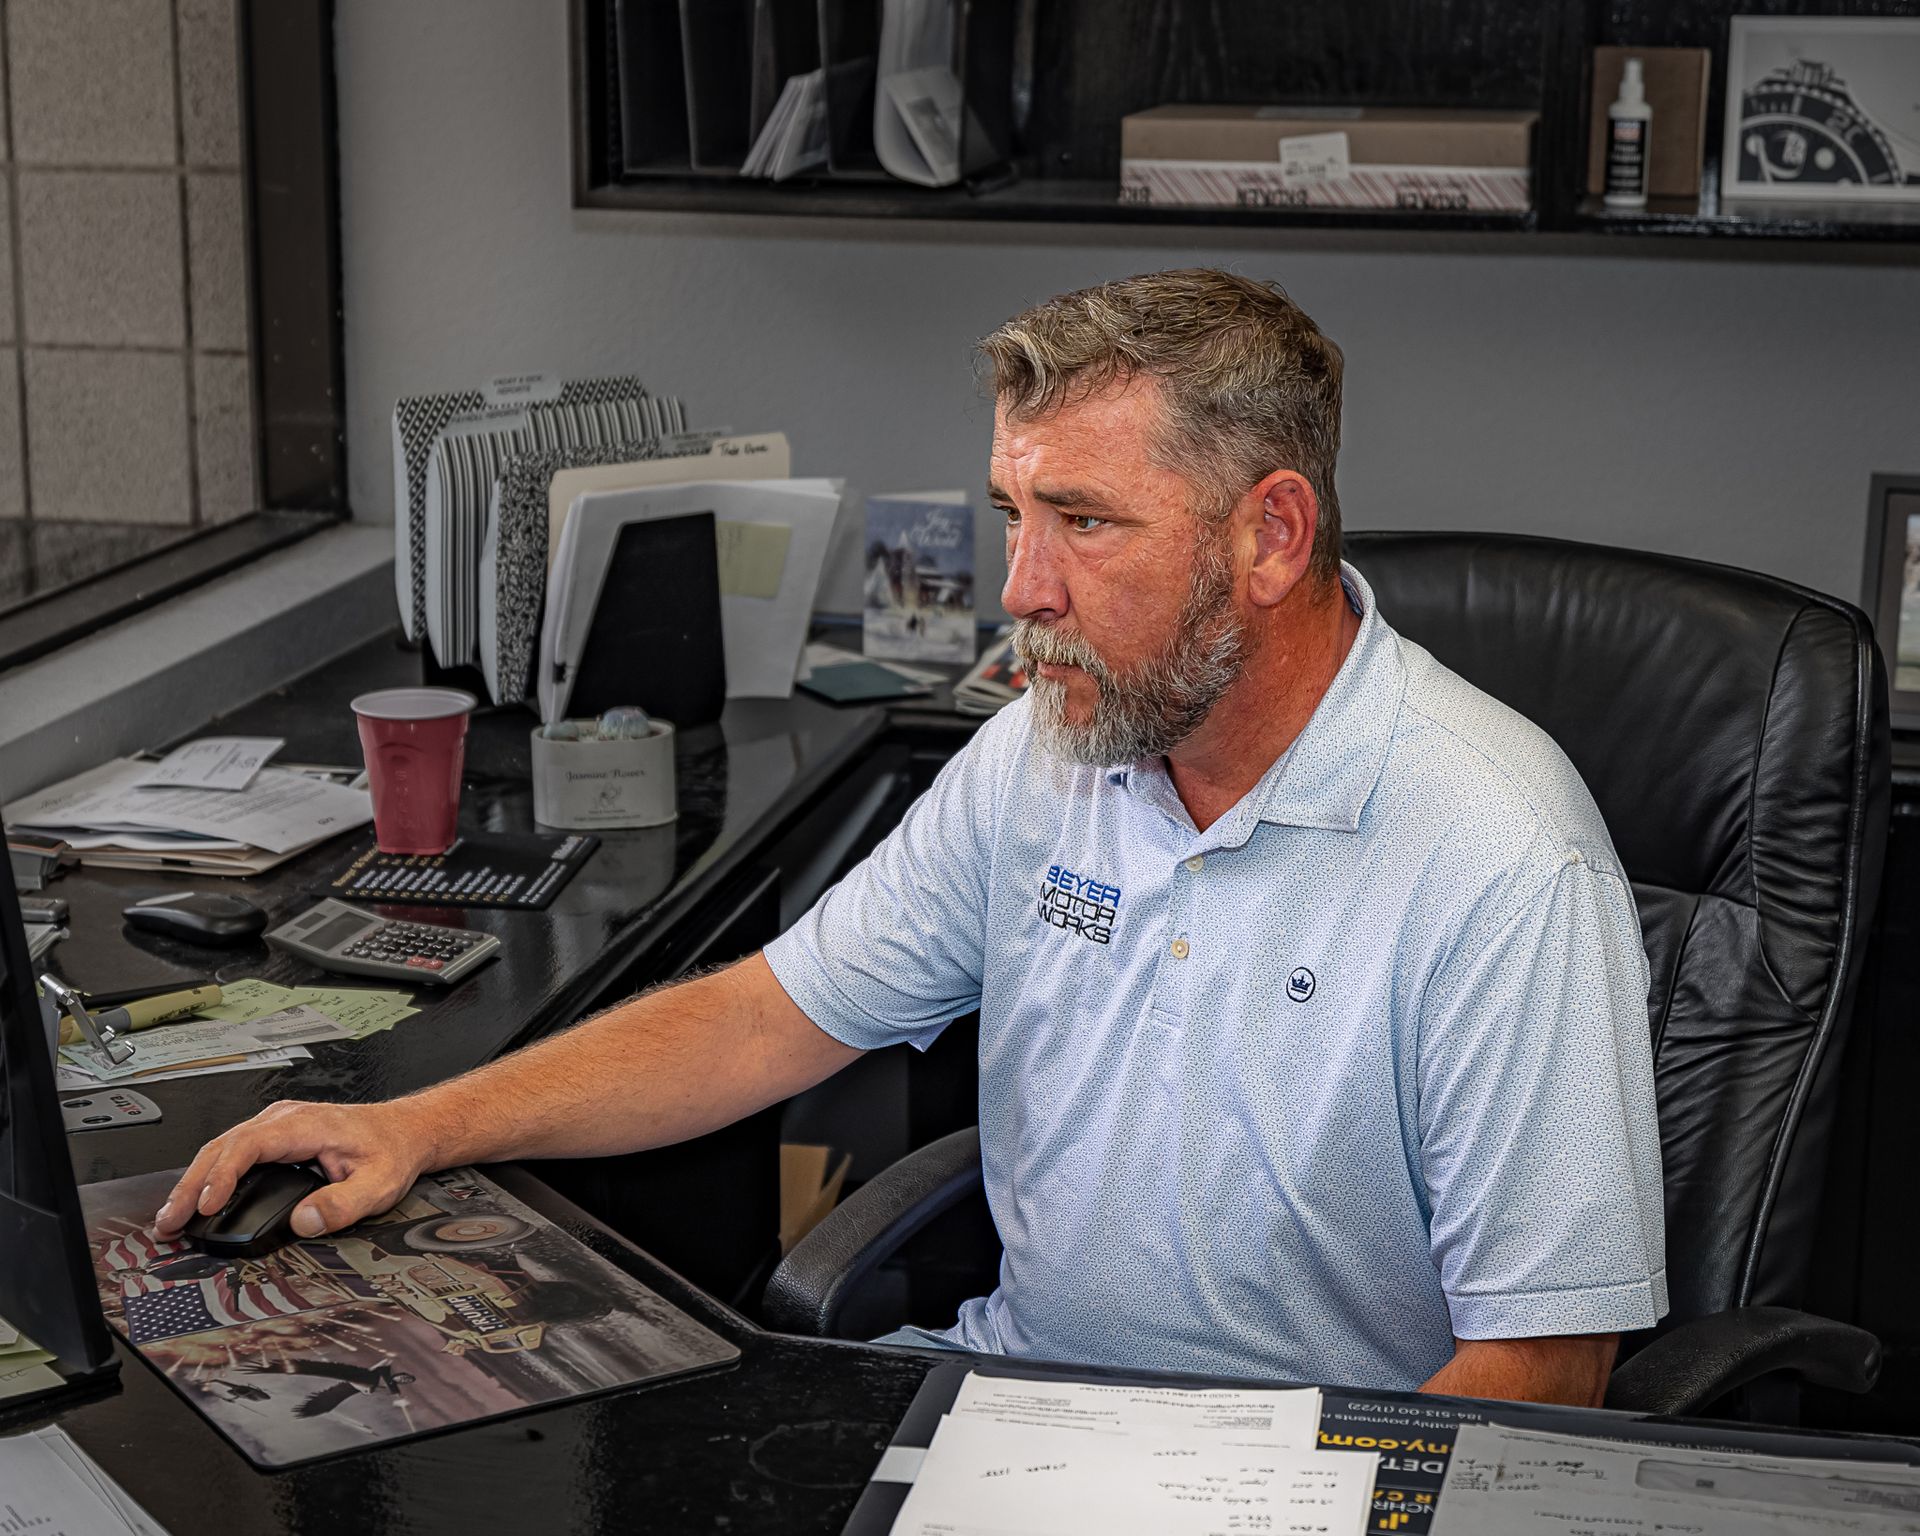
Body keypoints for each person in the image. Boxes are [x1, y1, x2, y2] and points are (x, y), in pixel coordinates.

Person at [158, 269, 1665, 1406]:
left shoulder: (1500, 852)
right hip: (1014, 1411)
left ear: (1270, 535)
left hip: (1295, 1473)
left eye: (1084, 522)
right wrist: (421, 1126)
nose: (1021, 588)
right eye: (1013, 512)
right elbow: (766, 1018)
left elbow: (1546, 1366)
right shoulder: (1051, 751)